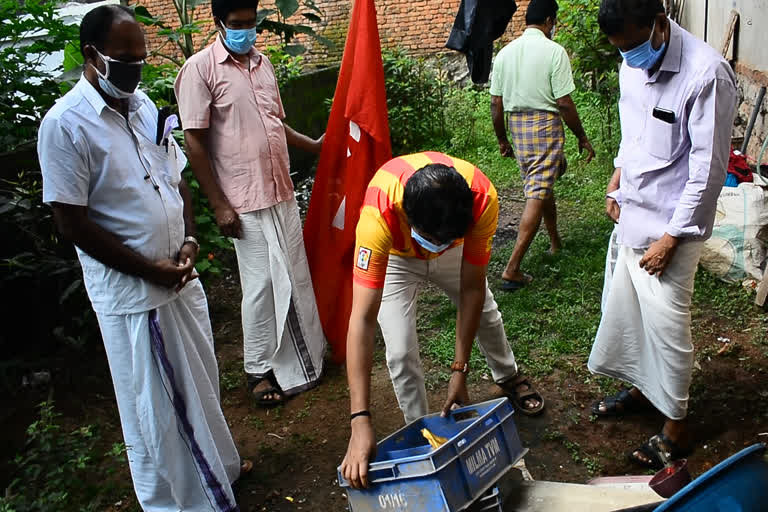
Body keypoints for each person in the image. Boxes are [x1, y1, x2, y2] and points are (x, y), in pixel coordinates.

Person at [37, 5, 247, 510]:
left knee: (199, 383)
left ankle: (219, 473)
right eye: (124, 58)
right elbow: (71, 222)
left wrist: (191, 240)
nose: (135, 68)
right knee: (159, 407)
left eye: (141, 58)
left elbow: (174, 176)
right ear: (92, 55)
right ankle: (186, 501)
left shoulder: (145, 107)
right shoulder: (65, 125)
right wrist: (148, 268)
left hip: (179, 277)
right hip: (137, 295)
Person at [588, 0, 738, 469]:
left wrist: (672, 238)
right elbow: (633, 128)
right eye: (619, 50)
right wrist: (618, 175)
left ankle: (676, 423)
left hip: (673, 228)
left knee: (668, 325)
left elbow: (708, 172)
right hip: (634, 210)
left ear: (658, 23)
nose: (628, 56)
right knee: (629, 311)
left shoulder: (706, 75)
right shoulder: (633, 60)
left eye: (632, 45)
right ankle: (641, 387)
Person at [340, 152, 545, 488]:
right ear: (408, 216)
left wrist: (459, 371)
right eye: (433, 240)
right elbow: (361, 320)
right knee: (400, 351)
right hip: (397, 256)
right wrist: (359, 420)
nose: (435, 248)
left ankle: (508, 376)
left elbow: (471, 290)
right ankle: (423, 432)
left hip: (456, 250)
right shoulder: (377, 217)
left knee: (488, 316)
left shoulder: (481, 198)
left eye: (444, 240)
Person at [174, 0, 326, 407]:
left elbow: (275, 121)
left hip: (280, 190)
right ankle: (257, 369)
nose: (246, 31)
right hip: (243, 198)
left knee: (294, 274)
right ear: (218, 22)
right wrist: (219, 205)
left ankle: (305, 355)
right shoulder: (200, 69)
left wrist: (313, 145)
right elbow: (194, 142)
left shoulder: (263, 64)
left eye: (251, 23)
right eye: (236, 24)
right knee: (260, 285)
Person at [489, 0, 595, 291]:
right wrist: (582, 136)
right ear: (549, 20)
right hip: (544, 126)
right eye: (555, 21)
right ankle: (512, 269)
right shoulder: (554, 51)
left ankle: (555, 241)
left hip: (517, 127)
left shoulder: (505, 54)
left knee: (541, 183)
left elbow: (496, 104)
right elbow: (563, 102)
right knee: (537, 192)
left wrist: (502, 139)